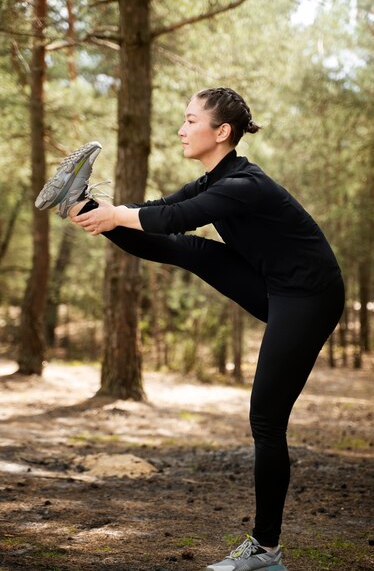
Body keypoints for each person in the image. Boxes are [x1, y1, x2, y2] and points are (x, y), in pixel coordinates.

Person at [36, 87, 345, 571]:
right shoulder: (215, 180)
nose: (181, 130)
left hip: (310, 296)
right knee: (190, 250)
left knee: (266, 417)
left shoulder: (246, 185)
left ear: (221, 132)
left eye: (189, 120)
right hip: (274, 284)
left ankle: (265, 552)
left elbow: (176, 216)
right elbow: (161, 220)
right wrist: (97, 211)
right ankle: (78, 198)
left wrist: (118, 213)